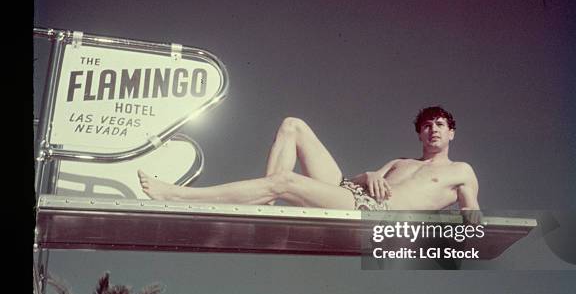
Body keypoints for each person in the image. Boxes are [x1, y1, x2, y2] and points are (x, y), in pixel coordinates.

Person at [138, 106, 480, 220]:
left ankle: (181, 196)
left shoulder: (460, 171)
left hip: (373, 211)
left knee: (286, 180)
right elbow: (359, 181)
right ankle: (267, 197)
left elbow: (472, 214)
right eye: (426, 125)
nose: (432, 129)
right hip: (350, 190)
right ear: (420, 133)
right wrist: (372, 173)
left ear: (451, 133)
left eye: (439, 125)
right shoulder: (402, 161)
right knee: (293, 124)